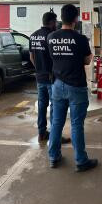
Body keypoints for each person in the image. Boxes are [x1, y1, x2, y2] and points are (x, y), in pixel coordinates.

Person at [47, 4, 98, 172]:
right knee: (76, 125)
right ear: (76, 19)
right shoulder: (80, 39)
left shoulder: (51, 37)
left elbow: (53, 57)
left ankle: (54, 157)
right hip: (76, 86)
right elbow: (87, 61)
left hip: (57, 85)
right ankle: (81, 161)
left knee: (56, 122)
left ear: (61, 18)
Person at [29, 12, 71, 144]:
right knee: (55, 106)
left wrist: (39, 69)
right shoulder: (50, 36)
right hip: (51, 78)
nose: (56, 24)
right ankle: (55, 136)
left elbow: (31, 57)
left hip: (39, 77)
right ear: (52, 22)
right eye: (55, 22)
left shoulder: (33, 36)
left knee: (42, 105)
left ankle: (42, 133)